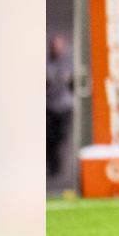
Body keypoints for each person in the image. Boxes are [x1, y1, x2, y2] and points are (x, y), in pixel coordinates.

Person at [46, 34, 74, 178]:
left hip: (64, 106)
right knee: (50, 138)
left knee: (62, 136)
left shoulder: (69, 63)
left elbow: (74, 82)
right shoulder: (46, 63)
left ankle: (62, 165)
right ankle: (53, 167)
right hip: (49, 106)